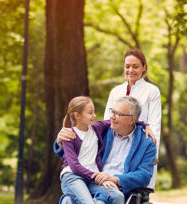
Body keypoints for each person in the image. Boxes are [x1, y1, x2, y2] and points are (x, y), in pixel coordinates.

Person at [41, 96, 156, 204]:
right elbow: (75, 153)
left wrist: (116, 179)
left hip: (114, 187)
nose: (113, 117)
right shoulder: (103, 129)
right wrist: (59, 139)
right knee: (68, 201)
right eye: (113, 112)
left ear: (131, 119)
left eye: (119, 114)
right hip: (89, 181)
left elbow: (144, 175)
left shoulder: (147, 142)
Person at [59, 48, 161, 188]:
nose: (131, 70)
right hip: (114, 143)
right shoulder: (116, 91)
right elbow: (107, 121)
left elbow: (155, 124)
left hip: (137, 146)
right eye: (127, 66)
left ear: (144, 67)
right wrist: (63, 139)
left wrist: (153, 153)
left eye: (135, 66)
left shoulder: (152, 91)